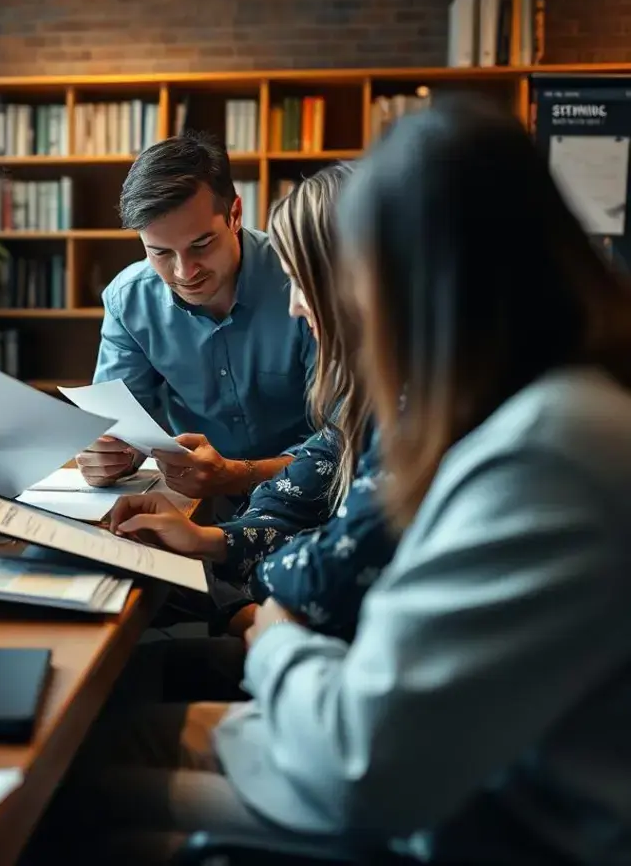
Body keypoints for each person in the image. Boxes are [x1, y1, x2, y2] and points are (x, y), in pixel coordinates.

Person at [53, 101, 631, 865]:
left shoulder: (543, 452)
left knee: (84, 802)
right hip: (454, 772)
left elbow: (373, 765)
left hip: (484, 821)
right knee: (108, 745)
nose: (311, 306)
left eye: (339, 277)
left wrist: (274, 635)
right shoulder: (535, 405)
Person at [108, 165, 397, 645]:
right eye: (161, 253)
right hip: (259, 564)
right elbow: (316, 472)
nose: (295, 308)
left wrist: (240, 606)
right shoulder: (384, 392)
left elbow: (336, 563)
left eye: (303, 285)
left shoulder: (411, 411)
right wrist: (209, 542)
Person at [77, 134, 314, 500]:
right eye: (160, 253)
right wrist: (109, 458)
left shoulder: (303, 282)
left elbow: (346, 440)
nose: (185, 272)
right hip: (196, 507)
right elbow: (120, 431)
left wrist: (238, 475)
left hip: (312, 500)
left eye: (201, 245)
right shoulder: (130, 302)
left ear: (234, 214)